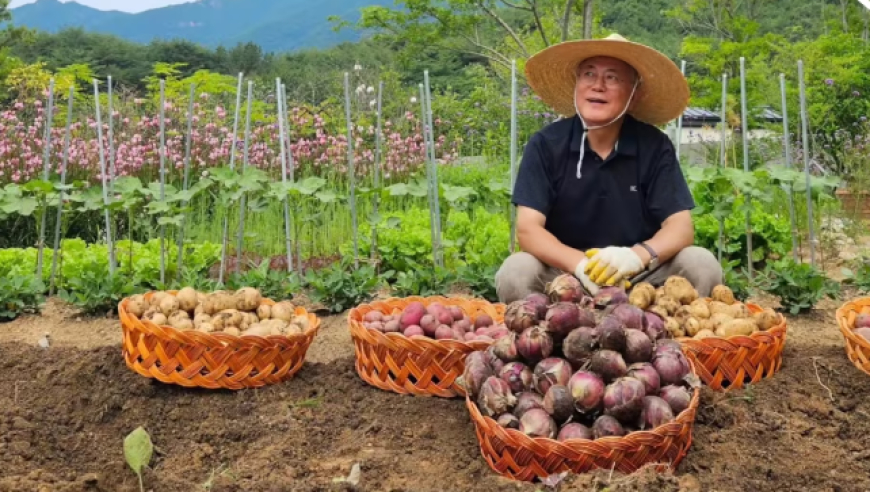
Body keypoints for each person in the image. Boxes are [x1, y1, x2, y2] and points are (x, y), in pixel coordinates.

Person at [495, 33, 722, 305]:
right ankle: (552, 333)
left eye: (612, 77)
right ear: (576, 85)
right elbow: (529, 230)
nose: (598, 85)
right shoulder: (545, 145)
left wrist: (636, 256)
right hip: (565, 273)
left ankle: (664, 334)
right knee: (516, 271)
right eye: (588, 74)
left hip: (638, 275)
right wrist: (580, 265)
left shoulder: (653, 145)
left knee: (701, 263)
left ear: (634, 96)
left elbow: (681, 228)